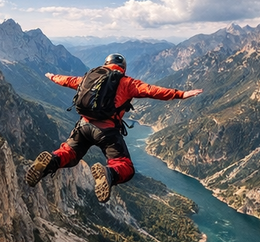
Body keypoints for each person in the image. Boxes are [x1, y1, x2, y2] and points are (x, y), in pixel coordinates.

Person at [25, 54, 202, 202]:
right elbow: (151, 90)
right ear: (122, 68)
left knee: (70, 154)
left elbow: (68, 80)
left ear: (106, 65)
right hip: (106, 131)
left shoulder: (90, 77)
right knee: (125, 167)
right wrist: (180, 94)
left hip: (84, 126)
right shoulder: (126, 82)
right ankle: (109, 173)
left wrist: (52, 77)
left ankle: (52, 160)